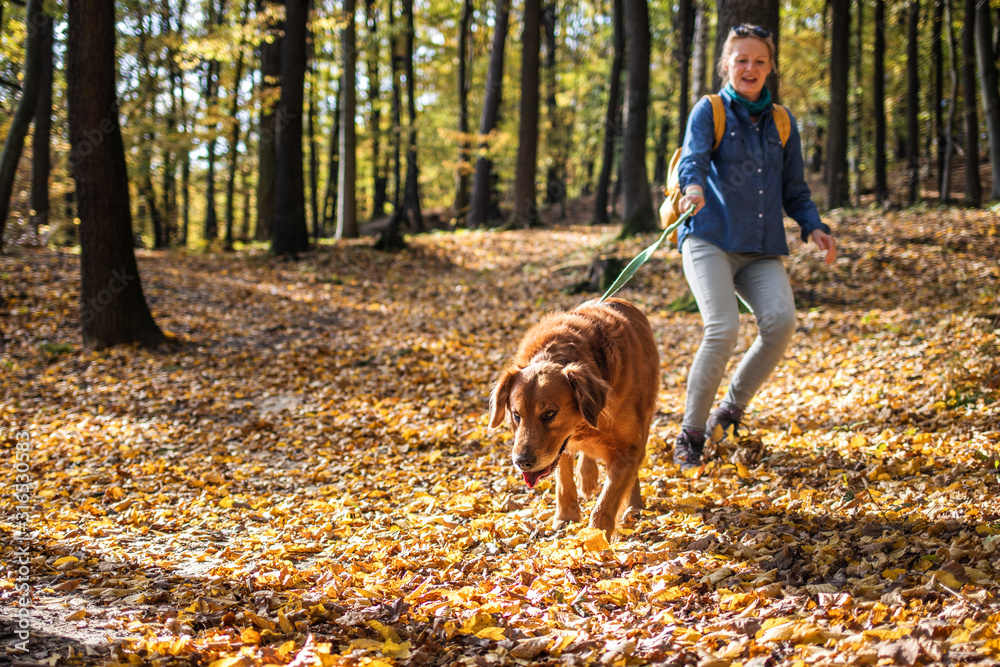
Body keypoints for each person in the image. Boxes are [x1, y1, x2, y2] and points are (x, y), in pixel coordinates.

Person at [672, 24, 837, 469]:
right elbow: (694, 158)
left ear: (769, 68)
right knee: (723, 328)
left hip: (761, 247)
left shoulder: (782, 122)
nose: (750, 68)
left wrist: (813, 227)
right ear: (727, 64)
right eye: (741, 59)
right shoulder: (710, 110)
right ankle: (689, 434)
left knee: (781, 322)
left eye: (759, 61)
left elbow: (794, 188)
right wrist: (692, 188)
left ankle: (729, 412)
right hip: (709, 238)